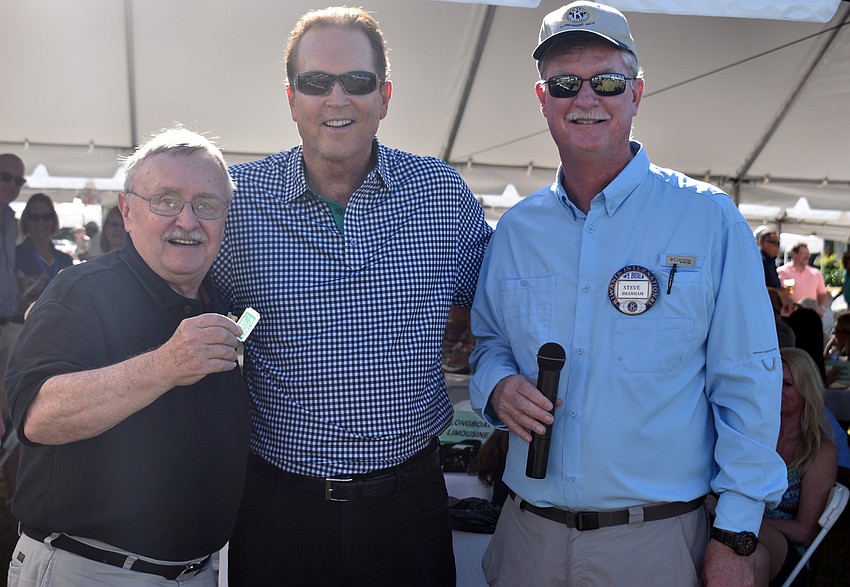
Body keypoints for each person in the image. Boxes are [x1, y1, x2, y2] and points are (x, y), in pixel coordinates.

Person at [468, 3, 787, 586]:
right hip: (528, 539)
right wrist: (497, 386)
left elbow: (748, 382)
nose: (585, 98)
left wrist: (737, 535)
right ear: (542, 99)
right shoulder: (516, 230)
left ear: (637, 93)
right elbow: (488, 343)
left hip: (656, 545)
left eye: (607, 81)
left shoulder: (708, 219)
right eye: (565, 83)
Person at [210, 7, 491, 585]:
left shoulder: (439, 194)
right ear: (291, 99)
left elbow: (501, 307)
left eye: (357, 82)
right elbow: (177, 294)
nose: (337, 98)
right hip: (277, 506)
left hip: (407, 504)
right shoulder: (240, 202)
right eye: (316, 83)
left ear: (384, 95)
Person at [4, 128, 250, 586]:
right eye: (166, 200)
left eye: (207, 205)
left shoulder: (222, 301)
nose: (188, 221)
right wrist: (167, 364)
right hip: (90, 570)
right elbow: (39, 416)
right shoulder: (80, 291)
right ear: (127, 211)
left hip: (198, 573)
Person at [757, 348, 837, 586]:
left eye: (787, 384)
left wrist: (740, 517)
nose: (776, 391)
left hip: (788, 553)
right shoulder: (754, 439)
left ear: (806, 390)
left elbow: (804, 532)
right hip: (746, 543)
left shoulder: (819, 451)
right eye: (772, 382)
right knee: (754, 557)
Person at [0, 153, 26, 502]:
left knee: (9, 416)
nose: (11, 185)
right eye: (6, 176)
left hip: (8, 326)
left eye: (18, 180)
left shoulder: (9, 219)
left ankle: (12, 499)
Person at [15, 193, 74, 319]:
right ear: (26, 220)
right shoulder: (14, 256)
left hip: (59, 327)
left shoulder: (66, 260)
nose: (41, 222)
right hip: (23, 328)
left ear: (54, 220)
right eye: (34, 217)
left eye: (47, 216)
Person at [778, 242, 830, 309]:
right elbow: (780, 294)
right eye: (803, 253)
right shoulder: (782, 272)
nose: (807, 256)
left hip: (810, 314)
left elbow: (822, 294)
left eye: (808, 254)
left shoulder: (816, 273)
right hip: (789, 314)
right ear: (794, 254)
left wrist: (822, 307)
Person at [755, 225, 782, 289]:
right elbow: (758, 287)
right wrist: (779, 292)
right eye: (774, 243)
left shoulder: (771, 260)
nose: (777, 247)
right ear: (764, 243)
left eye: (778, 243)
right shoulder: (759, 261)